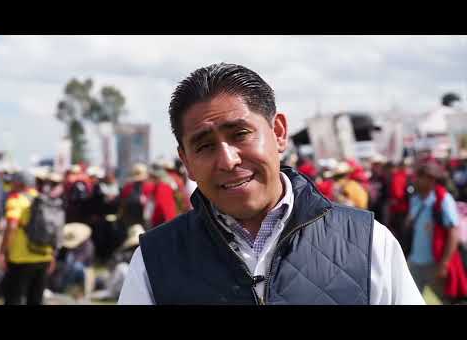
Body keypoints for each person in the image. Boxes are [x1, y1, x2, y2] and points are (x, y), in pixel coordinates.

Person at [119, 63, 424, 305]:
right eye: (204, 146)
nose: (227, 161)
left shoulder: (369, 242)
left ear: (278, 132)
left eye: (240, 134)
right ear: (186, 162)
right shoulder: (153, 262)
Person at [407, 161, 467, 304]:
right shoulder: (415, 199)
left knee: (448, 300)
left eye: (419, 176)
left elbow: (453, 233)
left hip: (435, 263)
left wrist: (444, 263)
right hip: (415, 261)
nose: (415, 180)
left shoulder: (443, 200)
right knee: (408, 299)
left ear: (430, 179)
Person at [0, 172, 55, 305]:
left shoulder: (16, 199)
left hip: (20, 258)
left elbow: (11, 226)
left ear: (18, 183)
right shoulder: (45, 199)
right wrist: (52, 255)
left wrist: (2, 252)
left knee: (13, 298)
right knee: (35, 300)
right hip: (44, 256)